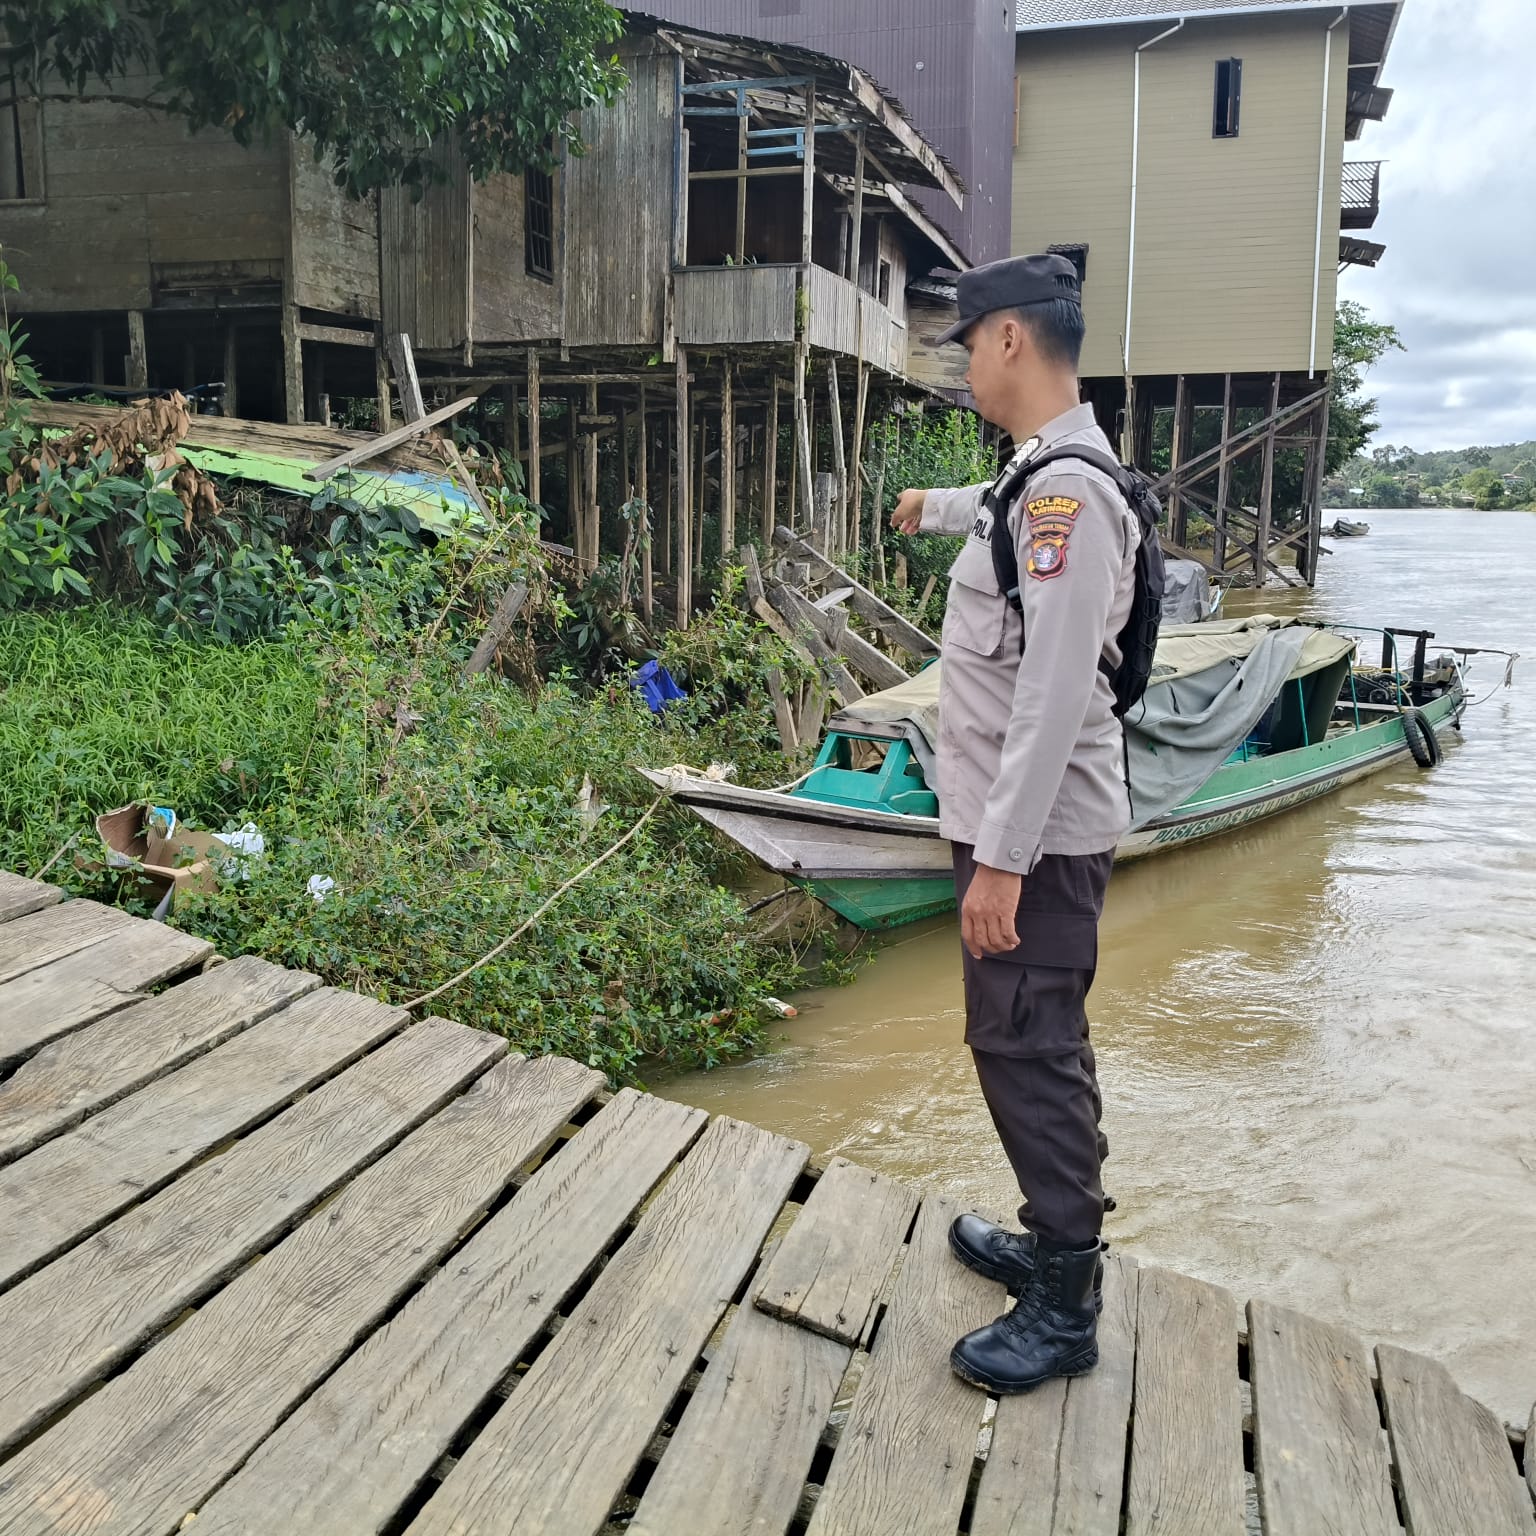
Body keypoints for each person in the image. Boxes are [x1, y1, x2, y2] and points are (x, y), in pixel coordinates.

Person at [890, 252, 1139, 1395]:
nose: (963, 369)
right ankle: (1054, 1238)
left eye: (967, 346)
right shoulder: (1043, 476)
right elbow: (999, 517)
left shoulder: (1067, 499)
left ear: (1007, 340)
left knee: (1027, 1046)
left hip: (1032, 842)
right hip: (1016, 830)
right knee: (1025, 1038)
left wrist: (1000, 863)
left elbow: (1053, 692)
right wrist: (930, 507)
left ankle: (1067, 1303)